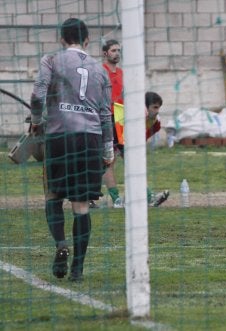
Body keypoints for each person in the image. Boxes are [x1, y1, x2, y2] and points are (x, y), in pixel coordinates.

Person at [30, 18, 114, 281]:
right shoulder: (100, 70)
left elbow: (38, 95)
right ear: (87, 41)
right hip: (89, 140)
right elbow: (106, 114)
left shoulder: (51, 60)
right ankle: (78, 269)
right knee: (81, 206)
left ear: (61, 39)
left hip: (59, 138)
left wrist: (35, 122)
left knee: (53, 196)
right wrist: (108, 149)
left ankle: (60, 244)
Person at [112, 91, 170, 207]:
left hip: (126, 141)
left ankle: (145, 197)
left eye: (158, 108)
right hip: (113, 134)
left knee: (134, 168)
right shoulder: (132, 114)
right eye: (155, 107)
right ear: (145, 106)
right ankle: (115, 199)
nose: (157, 110)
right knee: (106, 166)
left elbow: (143, 135)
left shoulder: (155, 122)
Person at [90, 39, 123, 208]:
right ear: (105, 53)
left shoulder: (122, 73)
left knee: (126, 157)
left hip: (120, 119)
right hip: (103, 119)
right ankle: (114, 197)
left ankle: (146, 195)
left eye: (118, 50)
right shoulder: (99, 72)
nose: (117, 53)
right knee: (105, 159)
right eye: (113, 50)